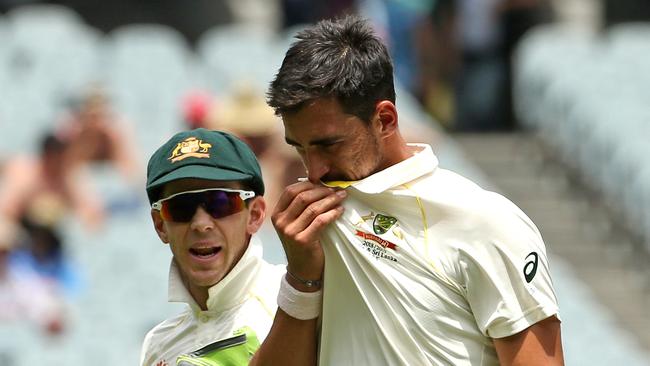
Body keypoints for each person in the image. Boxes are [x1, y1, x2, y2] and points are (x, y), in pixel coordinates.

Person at [263, 16, 564, 365]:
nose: (314, 171)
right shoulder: (308, 224)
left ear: (385, 119)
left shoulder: (485, 220)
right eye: (299, 148)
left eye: (329, 145)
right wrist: (301, 280)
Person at [139, 128, 284, 365]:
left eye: (220, 202)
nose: (201, 224)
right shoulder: (158, 346)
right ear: (160, 225)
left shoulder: (298, 299)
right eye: (181, 207)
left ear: (255, 215)